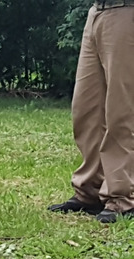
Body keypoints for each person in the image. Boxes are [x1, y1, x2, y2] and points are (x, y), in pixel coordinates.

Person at [48, 0, 134, 223]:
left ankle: (123, 197)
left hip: (127, 12)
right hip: (97, 12)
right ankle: (90, 190)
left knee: (122, 111)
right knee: (86, 110)